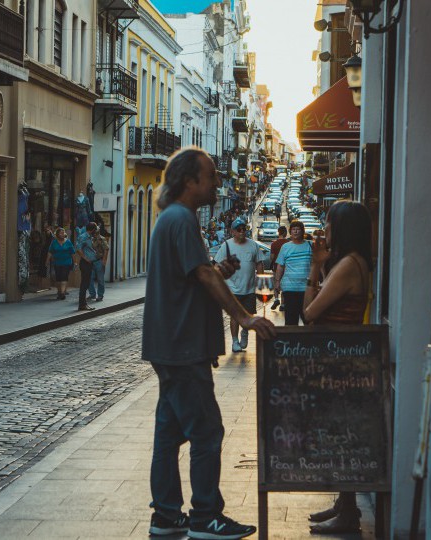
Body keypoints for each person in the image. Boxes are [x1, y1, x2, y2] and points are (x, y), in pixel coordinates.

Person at [142, 147, 275, 540]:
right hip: (182, 347)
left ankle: (165, 516)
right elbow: (202, 275)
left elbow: (199, 273)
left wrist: (220, 269)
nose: (217, 182)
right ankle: (206, 517)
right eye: (211, 175)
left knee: (168, 434)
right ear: (189, 181)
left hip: (170, 345)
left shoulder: (174, 219)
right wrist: (244, 317)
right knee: (206, 432)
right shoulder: (182, 218)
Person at [302, 201, 373, 535]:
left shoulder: (348, 265)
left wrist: (315, 269)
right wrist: (319, 266)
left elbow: (309, 313)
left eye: (328, 224)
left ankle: (348, 514)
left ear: (341, 228)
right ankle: (344, 504)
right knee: (339, 435)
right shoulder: (350, 262)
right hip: (336, 358)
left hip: (340, 362)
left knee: (342, 438)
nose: (323, 229)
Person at [214, 217, 264, 352]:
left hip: (249, 288)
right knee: (234, 315)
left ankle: (245, 333)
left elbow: (259, 264)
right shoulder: (227, 245)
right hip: (232, 288)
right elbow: (217, 264)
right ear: (233, 232)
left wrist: (260, 281)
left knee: (248, 314)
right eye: (239, 230)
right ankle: (235, 341)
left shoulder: (253, 245)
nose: (242, 232)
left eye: (244, 229)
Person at [274, 220, 312, 325]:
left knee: (308, 319)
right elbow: (280, 266)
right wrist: (277, 282)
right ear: (290, 232)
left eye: (298, 229)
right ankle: (292, 341)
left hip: (306, 288)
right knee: (291, 320)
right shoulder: (286, 247)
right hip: (289, 288)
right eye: (293, 229)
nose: (295, 232)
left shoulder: (310, 245)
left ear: (302, 231)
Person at [74, 222, 99, 311]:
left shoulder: (89, 237)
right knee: (84, 284)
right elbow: (78, 248)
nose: (96, 231)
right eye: (95, 229)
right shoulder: (83, 237)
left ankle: (83, 304)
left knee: (86, 283)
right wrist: (86, 258)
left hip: (89, 263)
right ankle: (82, 305)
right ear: (92, 229)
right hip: (85, 263)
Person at [46, 227, 75, 300]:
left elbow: (72, 253)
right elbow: (50, 252)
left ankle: (62, 293)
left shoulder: (68, 242)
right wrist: (47, 260)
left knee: (64, 277)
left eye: (63, 232)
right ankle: (60, 291)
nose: (63, 234)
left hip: (67, 262)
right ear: (57, 234)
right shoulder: (54, 242)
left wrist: (75, 262)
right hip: (57, 263)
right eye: (61, 233)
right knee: (58, 278)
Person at [269, 226, 290, 311]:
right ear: (285, 233)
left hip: (276, 267)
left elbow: (272, 257)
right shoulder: (288, 243)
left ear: (278, 233)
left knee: (276, 283)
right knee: (284, 285)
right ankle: (283, 304)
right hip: (286, 267)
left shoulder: (274, 244)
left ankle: (276, 299)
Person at [87, 225, 109, 302]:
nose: (94, 232)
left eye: (95, 231)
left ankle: (100, 295)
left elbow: (106, 249)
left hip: (99, 261)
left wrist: (104, 260)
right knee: (89, 279)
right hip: (90, 261)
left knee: (100, 279)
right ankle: (92, 294)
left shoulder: (102, 239)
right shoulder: (90, 238)